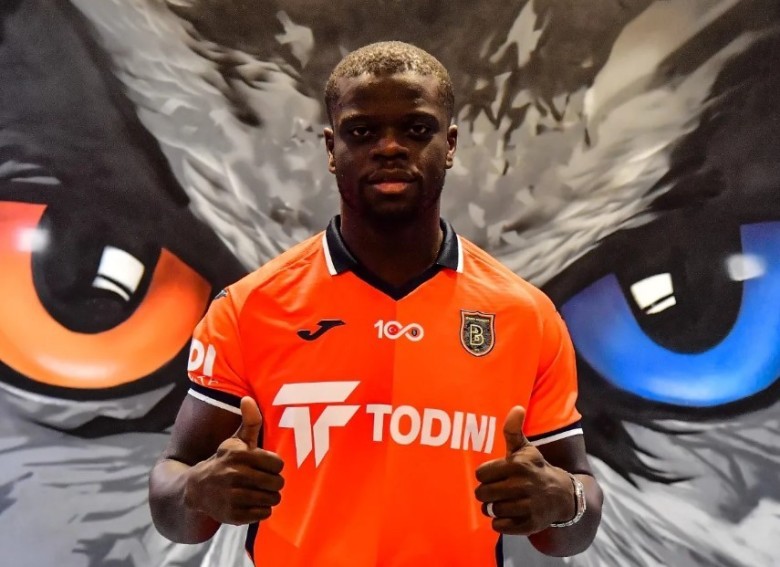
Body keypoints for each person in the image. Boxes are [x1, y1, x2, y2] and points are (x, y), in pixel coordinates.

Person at [149, 40, 603, 566]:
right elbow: (172, 495)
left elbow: (573, 521)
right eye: (362, 132)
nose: (390, 148)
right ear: (331, 147)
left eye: (417, 130)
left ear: (450, 144)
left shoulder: (526, 315)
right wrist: (197, 492)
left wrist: (563, 501)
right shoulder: (249, 309)